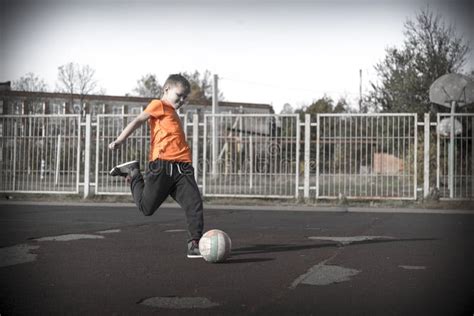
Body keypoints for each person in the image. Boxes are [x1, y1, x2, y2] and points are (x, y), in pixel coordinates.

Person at [108, 74, 203, 258]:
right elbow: (137, 121)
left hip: (182, 166)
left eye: (185, 97)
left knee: (194, 203)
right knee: (146, 208)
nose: (182, 100)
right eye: (179, 95)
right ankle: (134, 172)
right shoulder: (158, 105)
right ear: (166, 90)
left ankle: (194, 243)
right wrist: (120, 140)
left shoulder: (173, 112)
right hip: (161, 165)